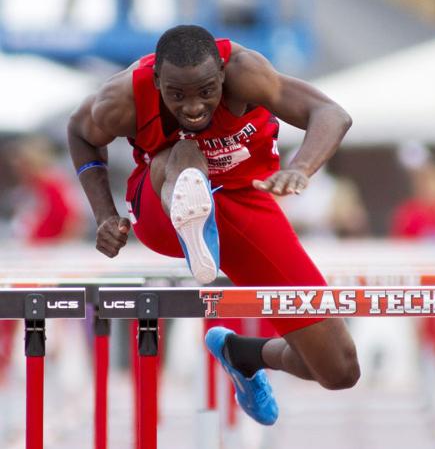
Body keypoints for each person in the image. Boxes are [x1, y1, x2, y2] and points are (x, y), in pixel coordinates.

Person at [68, 25, 360, 425]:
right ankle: (193, 222)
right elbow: (79, 133)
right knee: (184, 148)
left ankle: (241, 355)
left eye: (206, 91)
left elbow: (331, 113)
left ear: (223, 74)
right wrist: (104, 214)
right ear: (156, 81)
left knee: (339, 369)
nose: (192, 107)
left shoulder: (246, 71)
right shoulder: (122, 97)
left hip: (245, 206)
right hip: (163, 206)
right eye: (176, 95)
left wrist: (301, 168)